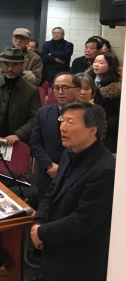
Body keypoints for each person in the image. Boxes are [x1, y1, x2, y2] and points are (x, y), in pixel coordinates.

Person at [30, 103, 115, 281]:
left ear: (92, 130)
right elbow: (51, 191)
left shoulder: (105, 169)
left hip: (79, 260)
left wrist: (42, 233)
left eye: (70, 122)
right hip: (55, 249)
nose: (62, 127)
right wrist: (38, 222)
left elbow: (82, 220)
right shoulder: (70, 153)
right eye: (62, 120)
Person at [29, 72, 81, 206]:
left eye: (65, 88)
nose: (60, 92)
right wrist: (50, 165)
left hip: (73, 177)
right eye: (56, 88)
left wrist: (62, 169)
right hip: (46, 175)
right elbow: (35, 143)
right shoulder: (43, 112)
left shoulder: (87, 115)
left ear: (78, 90)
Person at [0, 48, 42, 145]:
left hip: (17, 142)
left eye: (15, 64)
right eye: (6, 64)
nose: (10, 69)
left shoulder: (31, 90)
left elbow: (35, 117)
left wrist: (19, 134)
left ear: (22, 65)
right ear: (2, 64)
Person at [88, 52, 121, 153]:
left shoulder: (116, 85)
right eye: (95, 62)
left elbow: (119, 113)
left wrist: (104, 125)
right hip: (88, 127)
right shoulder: (88, 79)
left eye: (101, 63)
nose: (96, 65)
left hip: (108, 132)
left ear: (110, 66)